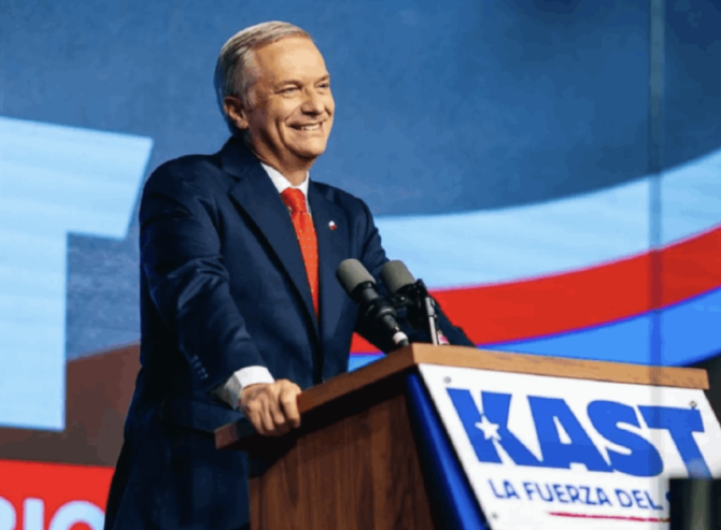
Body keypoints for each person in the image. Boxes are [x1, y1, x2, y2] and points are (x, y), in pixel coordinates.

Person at [103, 21, 473, 530]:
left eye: (323, 86)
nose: (316, 105)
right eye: (291, 89)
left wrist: (473, 373)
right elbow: (197, 296)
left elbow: (397, 321)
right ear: (238, 110)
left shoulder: (347, 216)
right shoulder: (189, 186)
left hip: (316, 487)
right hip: (201, 484)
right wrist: (253, 387)